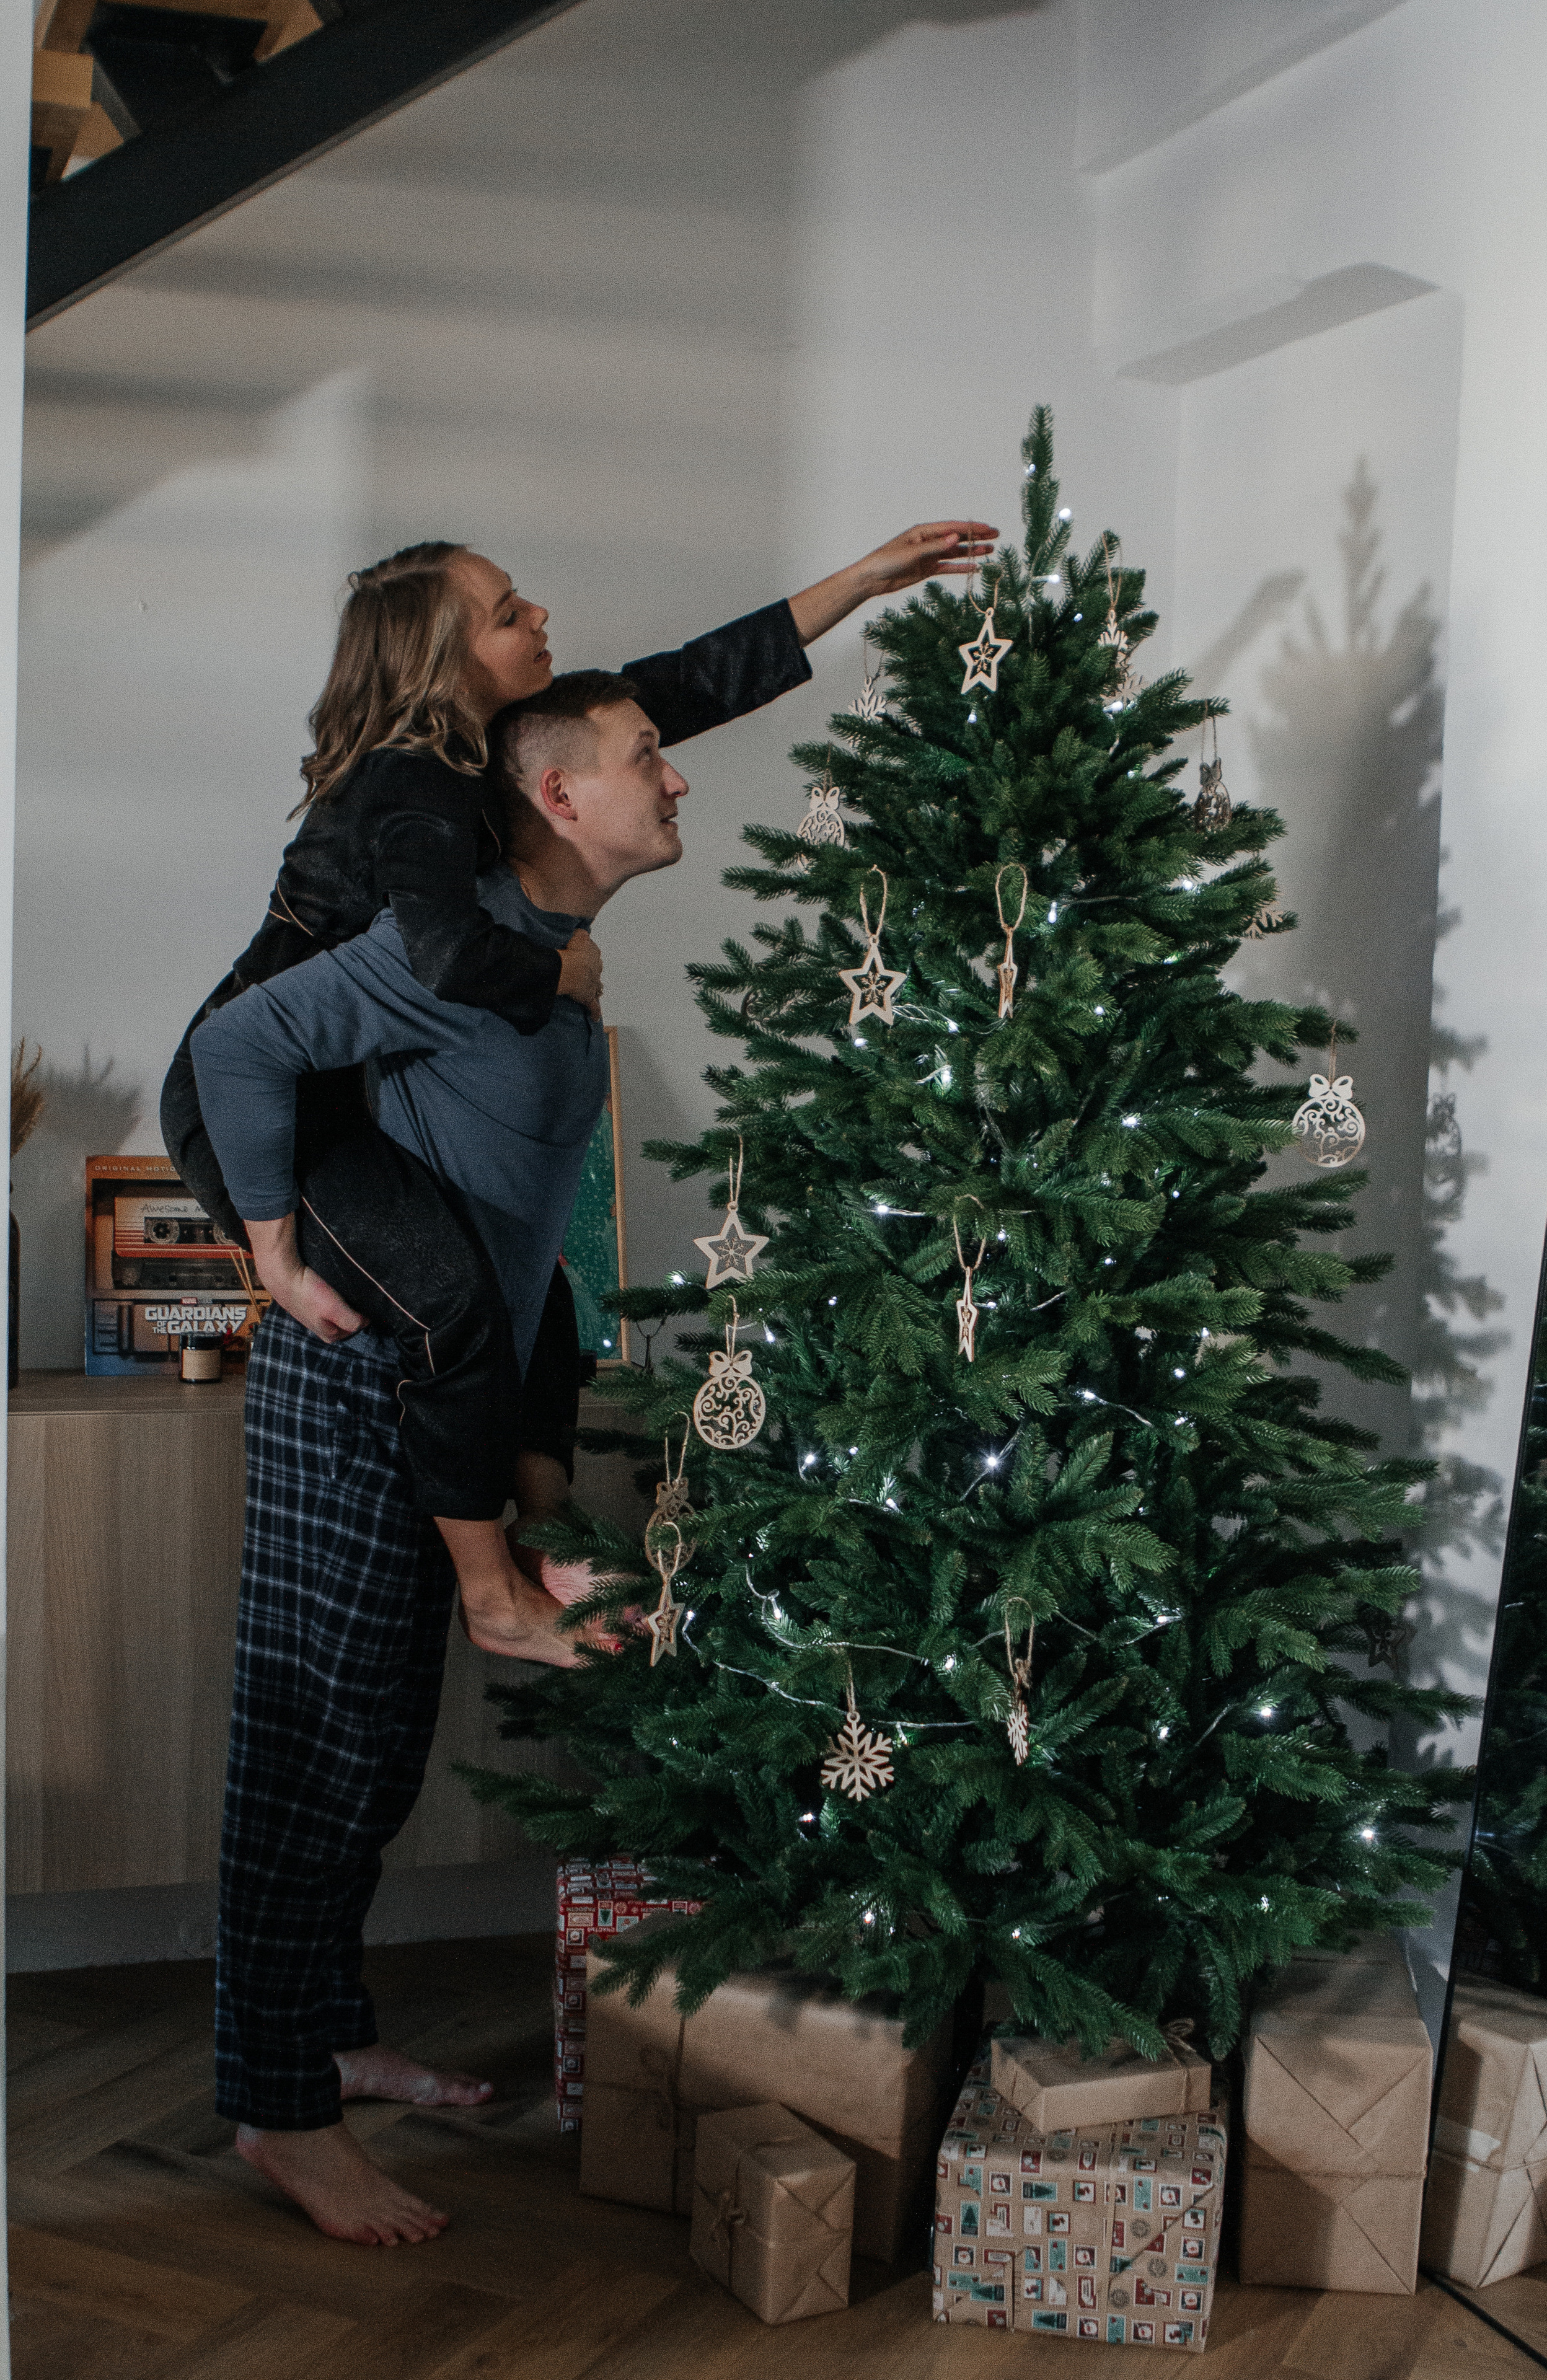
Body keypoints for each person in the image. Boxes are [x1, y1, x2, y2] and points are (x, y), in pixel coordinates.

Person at [164, 524, 995, 1657]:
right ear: (440, 659)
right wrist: (557, 967)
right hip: (247, 1086)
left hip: (320, 1071)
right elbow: (445, 962)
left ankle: (543, 1521)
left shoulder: (482, 757)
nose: (540, 616)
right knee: (450, 1297)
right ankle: (492, 1599)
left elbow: (684, 685)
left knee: (539, 1290)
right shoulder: (416, 786)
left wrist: (853, 584)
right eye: (508, 613)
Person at [188, 672, 692, 2246]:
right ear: (555, 796)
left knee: (380, 1749)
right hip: (357, 1382)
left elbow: (531, 1243)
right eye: (642, 757)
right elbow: (236, 1055)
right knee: (318, 1753)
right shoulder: (438, 955)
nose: (672, 777)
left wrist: (537, 1493)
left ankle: (326, 2038)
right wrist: (273, 1258)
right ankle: (278, 2116)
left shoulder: (547, 959)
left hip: (457, 1401)